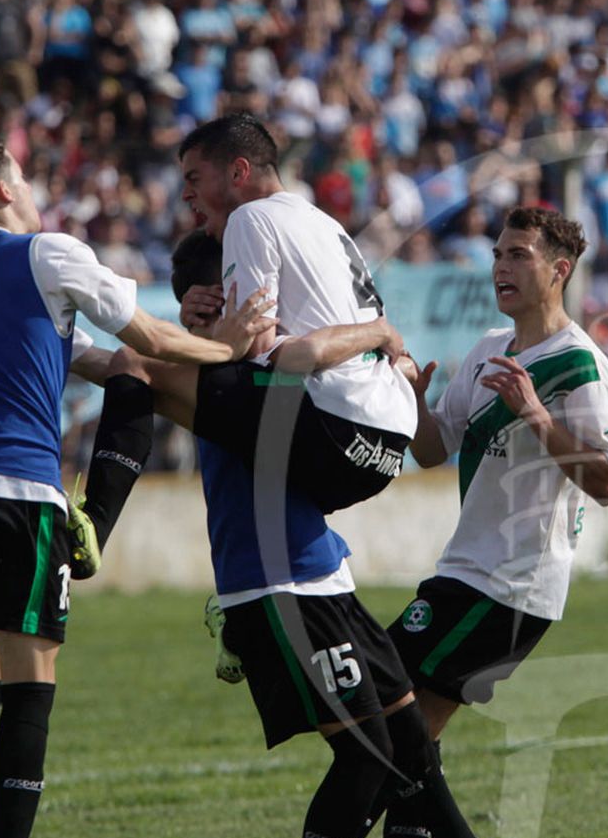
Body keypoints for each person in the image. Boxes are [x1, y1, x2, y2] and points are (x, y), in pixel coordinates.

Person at [68, 230, 494, 838]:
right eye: (261, 294)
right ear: (221, 300)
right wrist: (381, 329)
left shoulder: (250, 369)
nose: (279, 310)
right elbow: (117, 359)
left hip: (326, 572)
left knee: (402, 737)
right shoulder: (190, 373)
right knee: (367, 757)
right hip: (278, 585)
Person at [0, 133, 270, 838]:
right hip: (17, 490)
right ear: (3, 191)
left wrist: (142, 374)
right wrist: (230, 347)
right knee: (31, 686)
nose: (33, 186)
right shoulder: (48, 252)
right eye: (23, 174)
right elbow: (144, 335)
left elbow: (102, 359)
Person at [339, 206, 608, 838]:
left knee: (386, 709)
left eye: (519, 255)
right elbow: (435, 451)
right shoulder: (486, 350)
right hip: (469, 569)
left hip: (513, 582)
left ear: (558, 270)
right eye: (497, 253)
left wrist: (536, 414)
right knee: (411, 735)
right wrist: (410, 391)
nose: (501, 266)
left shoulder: (579, 363)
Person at [70, 113, 416, 576]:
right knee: (165, 379)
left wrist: (205, 336)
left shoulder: (251, 217)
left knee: (136, 363)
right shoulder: (324, 223)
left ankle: (91, 525)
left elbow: (253, 345)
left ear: (238, 172)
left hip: (336, 425)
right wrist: (208, 333)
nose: (186, 194)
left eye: (194, 178)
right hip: (387, 445)